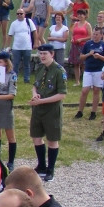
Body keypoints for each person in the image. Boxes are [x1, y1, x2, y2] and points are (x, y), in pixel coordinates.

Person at [30, 44, 67, 182]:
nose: (42, 56)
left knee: (52, 139)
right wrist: (35, 95)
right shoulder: (40, 68)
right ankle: (41, 165)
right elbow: (35, 85)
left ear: (52, 54)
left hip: (52, 110)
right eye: (40, 54)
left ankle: (50, 169)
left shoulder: (59, 71)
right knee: (36, 137)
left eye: (45, 53)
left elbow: (62, 94)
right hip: (38, 108)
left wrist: (43, 101)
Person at [76, 27, 104, 120]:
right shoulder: (88, 44)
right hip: (88, 70)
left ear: (101, 35)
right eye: (93, 34)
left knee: (96, 90)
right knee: (84, 90)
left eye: (97, 34)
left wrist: (99, 57)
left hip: (98, 70)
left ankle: (93, 112)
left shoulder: (103, 45)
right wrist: (89, 54)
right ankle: (80, 111)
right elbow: (81, 57)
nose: (94, 36)